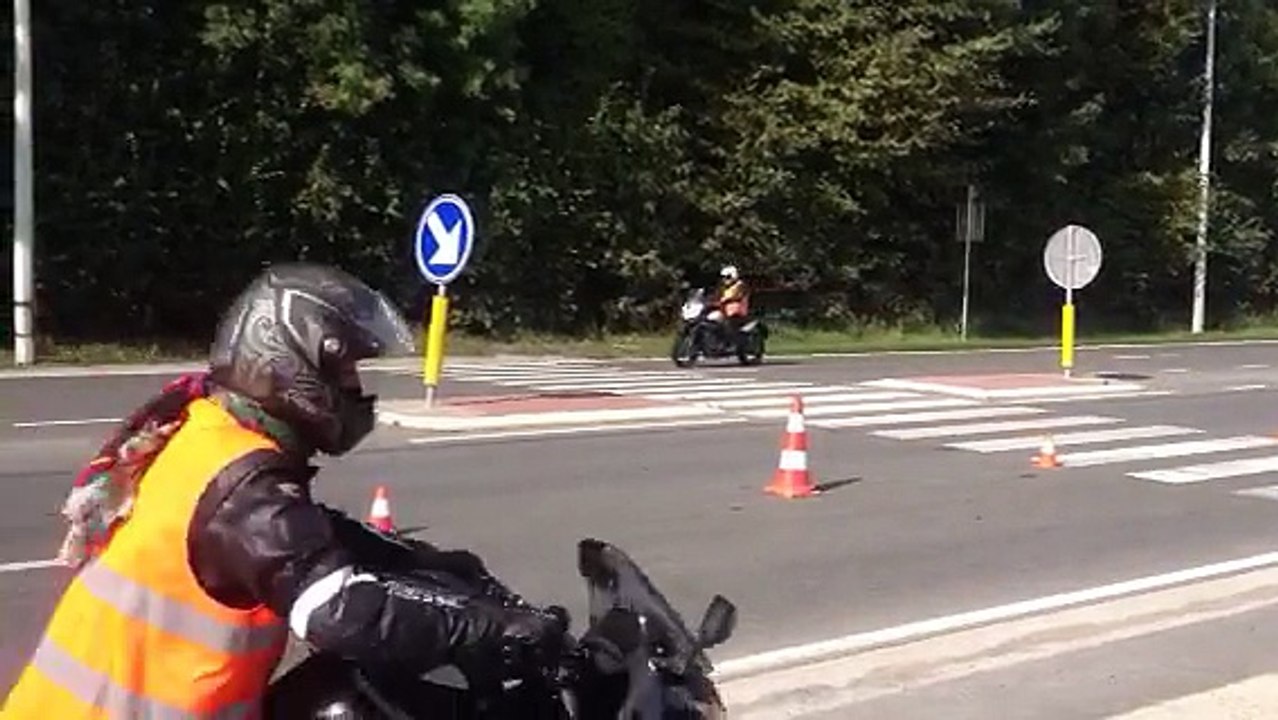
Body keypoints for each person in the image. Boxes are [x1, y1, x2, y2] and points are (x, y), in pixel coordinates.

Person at [2, 263, 565, 719]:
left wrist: (434, 565)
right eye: (344, 371)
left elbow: (304, 538)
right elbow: (341, 610)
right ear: (289, 362)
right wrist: (492, 629)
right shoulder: (243, 484)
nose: (355, 389)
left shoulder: (206, 432)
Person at [714, 265, 750, 341]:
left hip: (737, 310)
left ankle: (732, 341)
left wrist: (725, 299)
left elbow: (737, 295)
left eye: (727, 277)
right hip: (724, 310)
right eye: (723, 277)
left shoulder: (740, 285)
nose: (724, 279)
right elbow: (717, 296)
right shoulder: (723, 287)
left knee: (729, 323)